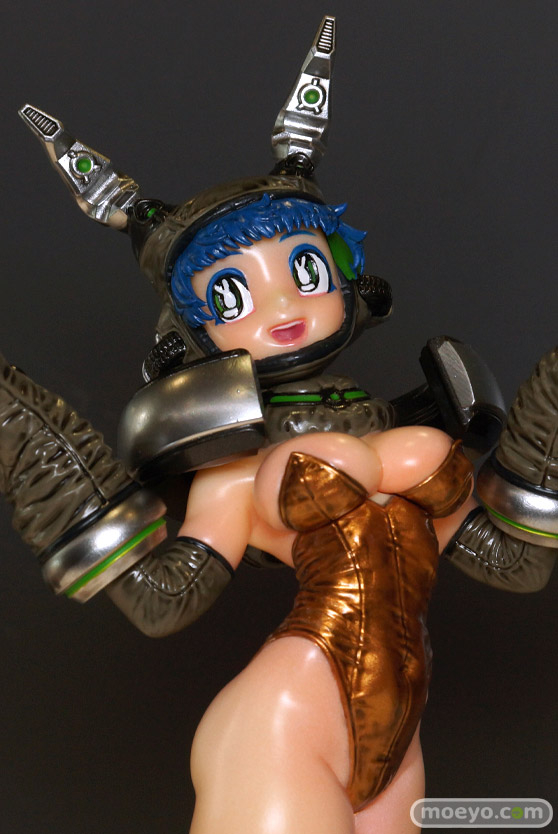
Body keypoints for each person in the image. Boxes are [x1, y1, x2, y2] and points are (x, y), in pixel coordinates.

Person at [2, 16, 556, 834]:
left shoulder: (401, 422)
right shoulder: (230, 461)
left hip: (396, 730)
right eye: (233, 294)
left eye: (304, 267)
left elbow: (517, 562)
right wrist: (38, 450)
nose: (284, 304)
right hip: (284, 726)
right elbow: (162, 601)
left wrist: (550, 413)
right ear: (193, 331)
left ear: (347, 276)